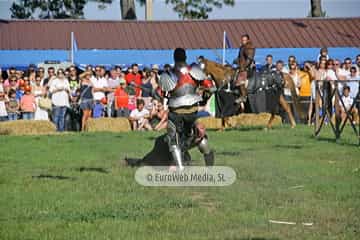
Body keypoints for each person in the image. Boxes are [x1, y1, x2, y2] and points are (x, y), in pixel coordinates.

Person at [159, 47, 214, 170]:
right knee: (198, 136)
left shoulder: (169, 73)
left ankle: (180, 169)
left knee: (174, 140)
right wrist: (204, 97)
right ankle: (210, 165)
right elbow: (210, 87)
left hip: (176, 112)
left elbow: (163, 93)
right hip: (192, 111)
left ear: (174, 58)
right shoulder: (195, 70)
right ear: (186, 57)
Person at [235, 34, 255, 105]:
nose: (243, 41)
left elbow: (249, 58)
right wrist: (236, 61)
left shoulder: (249, 47)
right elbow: (240, 57)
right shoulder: (242, 47)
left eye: (244, 40)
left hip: (247, 68)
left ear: (248, 40)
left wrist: (244, 66)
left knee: (241, 78)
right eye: (242, 40)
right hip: (241, 66)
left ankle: (244, 96)